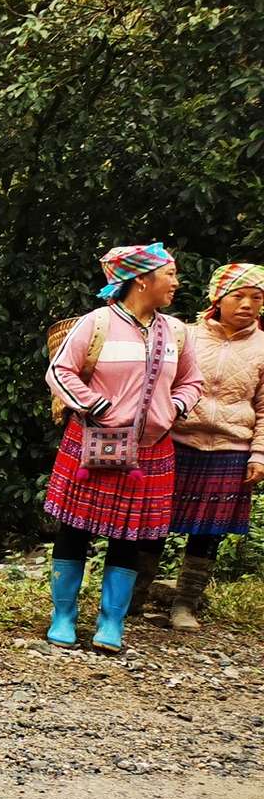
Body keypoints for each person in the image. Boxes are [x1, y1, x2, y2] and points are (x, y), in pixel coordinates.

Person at [44, 243, 203, 653]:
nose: (176, 282)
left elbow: (192, 382)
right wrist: (95, 405)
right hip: (93, 442)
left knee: (129, 535)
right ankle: (63, 616)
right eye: (170, 274)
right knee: (75, 528)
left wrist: (174, 408)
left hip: (151, 450)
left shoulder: (178, 332)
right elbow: (59, 371)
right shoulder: (96, 324)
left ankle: (111, 621)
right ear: (142, 279)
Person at [154, 263, 264, 631]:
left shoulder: (263, 347)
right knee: (155, 522)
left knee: (208, 532)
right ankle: (135, 595)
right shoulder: (185, 336)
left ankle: (185, 604)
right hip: (176, 441)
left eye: (257, 297)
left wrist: (259, 454)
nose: (248, 304)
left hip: (231, 447)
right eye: (239, 295)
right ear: (217, 298)